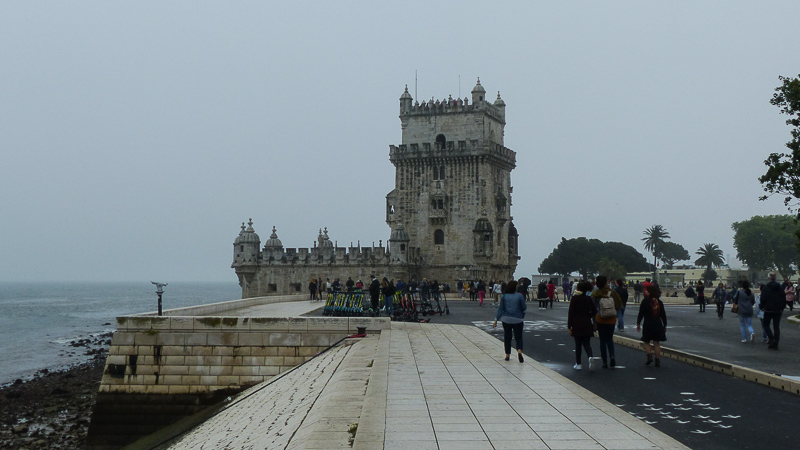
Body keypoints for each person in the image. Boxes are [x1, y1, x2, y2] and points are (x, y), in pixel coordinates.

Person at [591, 276, 623, 368]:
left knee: (602, 341)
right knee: (610, 339)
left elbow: (592, 309)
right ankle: (612, 356)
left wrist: (594, 322)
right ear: (606, 283)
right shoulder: (612, 293)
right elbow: (619, 305)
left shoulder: (595, 294)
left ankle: (604, 362)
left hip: (600, 319)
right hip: (611, 319)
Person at [493, 280, 527, 363]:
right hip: (518, 319)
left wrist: (496, 319)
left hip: (506, 319)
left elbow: (501, 309)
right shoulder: (519, 296)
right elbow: (524, 307)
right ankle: (519, 350)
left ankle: (507, 354)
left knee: (507, 337)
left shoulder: (504, 296)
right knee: (518, 337)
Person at [568, 281, 599, 371]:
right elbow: (594, 311)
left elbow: (571, 313)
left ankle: (578, 364)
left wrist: (569, 326)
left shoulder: (574, 298)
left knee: (578, 345)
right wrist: (589, 316)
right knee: (587, 344)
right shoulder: (588, 299)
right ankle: (590, 357)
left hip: (576, 323)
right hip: (587, 323)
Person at [637, 284, 667, 367]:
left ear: (649, 292)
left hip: (648, 323)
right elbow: (663, 314)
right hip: (657, 323)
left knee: (646, 341)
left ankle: (649, 356)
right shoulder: (659, 302)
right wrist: (665, 325)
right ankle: (657, 360)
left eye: (647, 290)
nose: (645, 291)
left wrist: (638, 323)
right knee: (656, 342)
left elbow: (641, 313)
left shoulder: (645, 301)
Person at [760, 272, 786, 350]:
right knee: (776, 326)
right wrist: (782, 307)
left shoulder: (766, 288)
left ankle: (771, 339)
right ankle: (776, 342)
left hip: (768, 309)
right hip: (778, 309)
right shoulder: (780, 287)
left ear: (769, 278)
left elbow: (762, 299)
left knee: (766, 325)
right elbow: (783, 297)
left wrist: (763, 306)